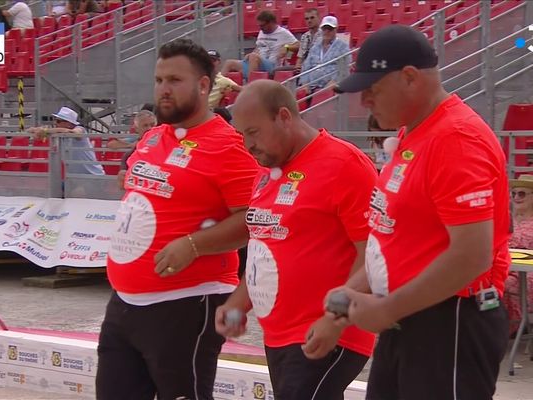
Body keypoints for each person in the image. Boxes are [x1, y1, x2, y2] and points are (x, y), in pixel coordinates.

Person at [327, 25, 510, 399]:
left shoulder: (455, 138)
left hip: (451, 320)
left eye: (372, 90)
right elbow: (399, 237)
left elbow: (473, 254)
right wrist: (350, 293)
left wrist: (388, 307)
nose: (364, 102)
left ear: (410, 78)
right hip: (414, 316)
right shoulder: (418, 132)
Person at [96, 38, 259, 400]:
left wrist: (193, 244)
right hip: (125, 302)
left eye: (174, 80)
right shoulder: (153, 137)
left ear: (204, 86)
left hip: (187, 302)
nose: (163, 90)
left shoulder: (228, 146)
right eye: (158, 80)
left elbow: (254, 219)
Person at [215, 80, 376, 400]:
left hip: (332, 333)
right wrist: (238, 302)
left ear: (284, 117)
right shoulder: (266, 172)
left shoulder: (344, 165)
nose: (247, 145)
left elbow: (375, 256)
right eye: (242, 134)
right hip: (279, 336)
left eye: (254, 132)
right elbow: (267, 247)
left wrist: (336, 318)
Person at [222, 10, 298, 81]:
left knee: (253, 57)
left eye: (262, 26)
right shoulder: (262, 32)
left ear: (271, 22)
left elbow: (299, 45)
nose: (260, 28)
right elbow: (259, 47)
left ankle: (251, 88)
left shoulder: (283, 32)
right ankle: (216, 89)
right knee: (229, 63)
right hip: (256, 62)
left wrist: (287, 47)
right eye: (259, 26)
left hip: (271, 65)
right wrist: (252, 53)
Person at [27, 106, 104, 175]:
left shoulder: (80, 129)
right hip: (74, 175)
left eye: (58, 121)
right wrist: (38, 130)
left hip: (92, 174)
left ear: (69, 124)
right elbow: (35, 133)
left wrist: (46, 130)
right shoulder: (58, 134)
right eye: (55, 120)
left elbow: (75, 133)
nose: (55, 123)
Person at [503, 174, 533, 335]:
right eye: (513, 193)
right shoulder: (506, 219)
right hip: (506, 265)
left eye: (521, 194)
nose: (516, 197)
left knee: (503, 283)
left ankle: (510, 326)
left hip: (528, 271)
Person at [299, 16, 350, 92]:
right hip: (311, 86)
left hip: (330, 86)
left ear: (336, 29)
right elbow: (306, 67)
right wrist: (305, 83)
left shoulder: (343, 47)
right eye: (324, 29)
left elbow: (344, 70)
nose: (326, 31)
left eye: (330, 29)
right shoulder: (315, 47)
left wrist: (332, 83)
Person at [295, 8, 322, 74]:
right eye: (307, 19)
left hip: (317, 67)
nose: (309, 21)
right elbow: (300, 57)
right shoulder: (304, 36)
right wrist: (297, 66)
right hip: (304, 68)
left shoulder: (325, 34)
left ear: (319, 18)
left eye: (312, 18)